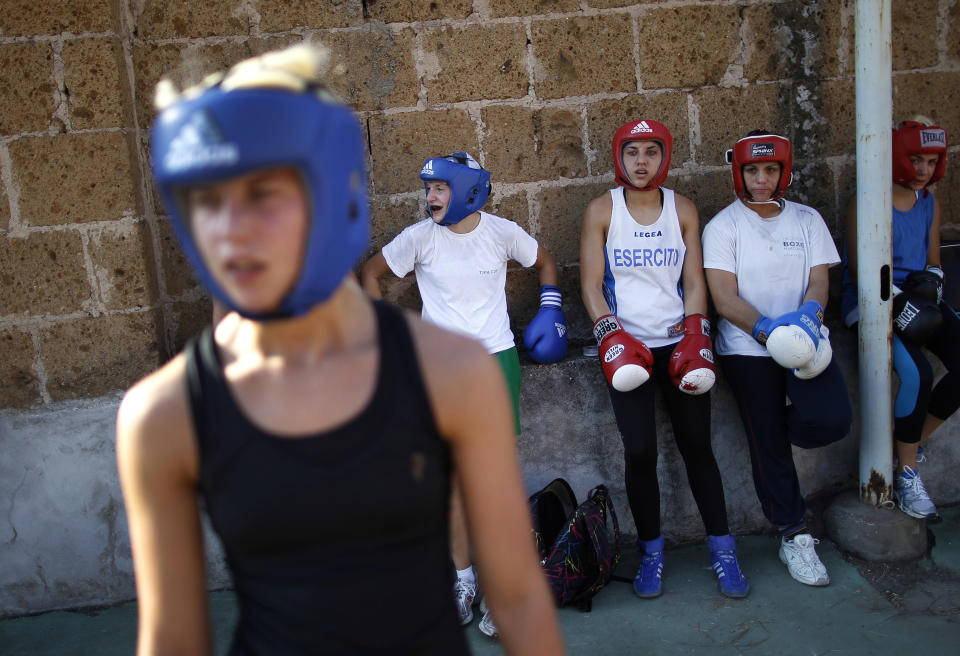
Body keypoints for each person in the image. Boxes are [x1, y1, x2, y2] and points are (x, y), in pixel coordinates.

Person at [116, 44, 564, 655]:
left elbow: (518, 601)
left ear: (331, 195)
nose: (231, 228)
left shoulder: (455, 372)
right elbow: (169, 642)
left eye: (266, 193)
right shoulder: (163, 416)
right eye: (207, 198)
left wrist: (552, 303)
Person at [360, 152, 566, 638]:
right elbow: (369, 275)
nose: (429, 197)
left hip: (495, 362)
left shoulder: (501, 232)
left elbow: (546, 262)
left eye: (439, 188)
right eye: (427, 188)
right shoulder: (418, 239)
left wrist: (550, 307)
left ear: (468, 190)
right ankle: (464, 580)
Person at [579, 119, 749, 600]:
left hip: (678, 343)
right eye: (632, 152)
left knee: (697, 445)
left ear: (664, 156)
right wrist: (609, 330)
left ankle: (723, 549)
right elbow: (591, 284)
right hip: (625, 347)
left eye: (651, 152)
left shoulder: (685, 209)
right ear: (620, 157)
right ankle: (652, 553)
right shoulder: (601, 210)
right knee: (640, 452)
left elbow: (694, 281)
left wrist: (696, 329)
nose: (641, 162)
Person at [702, 130, 852, 587]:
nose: (762, 179)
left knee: (832, 420)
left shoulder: (807, 220)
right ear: (739, 172)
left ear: (783, 171)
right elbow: (724, 298)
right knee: (768, 447)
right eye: (752, 170)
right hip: (750, 348)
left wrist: (808, 318)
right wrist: (769, 331)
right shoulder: (723, 226)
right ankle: (794, 535)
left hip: (807, 342)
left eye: (770, 170)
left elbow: (819, 282)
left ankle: (768, 432)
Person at [841, 117, 955, 521]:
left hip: (918, 299)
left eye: (930, 161)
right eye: (915, 160)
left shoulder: (930, 203)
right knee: (918, 374)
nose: (923, 170)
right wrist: (903, 304)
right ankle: (907, 473)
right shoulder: (868, 202)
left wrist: (930, 291)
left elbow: (934, 263)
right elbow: (863, 272)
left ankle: (906, 444)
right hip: (874, 299)